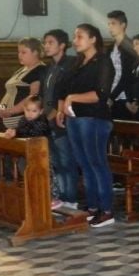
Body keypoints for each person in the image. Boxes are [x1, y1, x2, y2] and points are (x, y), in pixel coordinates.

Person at [56, 23, 116, 228]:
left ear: (93, 39)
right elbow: (64, 89)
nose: (75, 40)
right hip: (75, 118)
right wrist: (61, 108)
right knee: (84, 164)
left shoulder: (103, 62)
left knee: (97, 162)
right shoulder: (78, 62)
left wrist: (73, 98)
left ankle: (106, 210)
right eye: (75, 36)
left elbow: (100, 94)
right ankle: (92, 207)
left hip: (94, 119)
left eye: (80, 36)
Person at [41, 29, 78, 210]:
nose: (46, 46)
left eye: (50, 42)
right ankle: (62, 196)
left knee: (66, 160)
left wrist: (56, 111)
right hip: (47, 118)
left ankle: (71, 198)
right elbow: (45, 93)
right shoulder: (49, 67)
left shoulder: (70, 64)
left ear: (62, 45)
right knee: (56, 161)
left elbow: (67, 92)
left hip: (61, 119)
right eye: (45, 43)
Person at [0, 38, 47, 129]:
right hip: (11, 122)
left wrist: (11, 111)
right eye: (19, 52)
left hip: (26, 121)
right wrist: (2, 108)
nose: (19, 55)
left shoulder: (40, 70)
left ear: (35, 52)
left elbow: (33, 97)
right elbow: (10, 94)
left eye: (23, 52)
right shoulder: (21, 70)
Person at [106, 10, 135, 120]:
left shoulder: (130, 47)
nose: (110, 27)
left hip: (124, 96)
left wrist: (111, 97)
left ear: (123, 25)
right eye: (108, 24)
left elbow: (126, 76)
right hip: (112, 92)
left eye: (113, 24)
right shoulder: (110, 48)